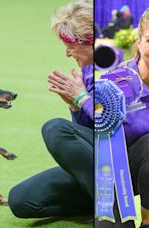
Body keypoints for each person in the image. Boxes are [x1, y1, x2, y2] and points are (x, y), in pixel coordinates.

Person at [96, 5, 149, 228]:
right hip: (107, 175)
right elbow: (93, 136)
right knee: (22, 201)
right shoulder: (116, 81)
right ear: (139, 42)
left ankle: (148, 225)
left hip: (148, 168)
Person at [8, 0, 94, 220]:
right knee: (20, 200)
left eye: (71, 45)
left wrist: (84, 99)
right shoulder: (86, 73)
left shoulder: (118, 70)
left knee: (55, 129)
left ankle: (110, 209)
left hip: (122, 162)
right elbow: (85, 137)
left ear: (90, 42)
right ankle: (93, 202)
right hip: (95, 163)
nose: (67, 53)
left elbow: (118, 126)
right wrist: (75, 106)